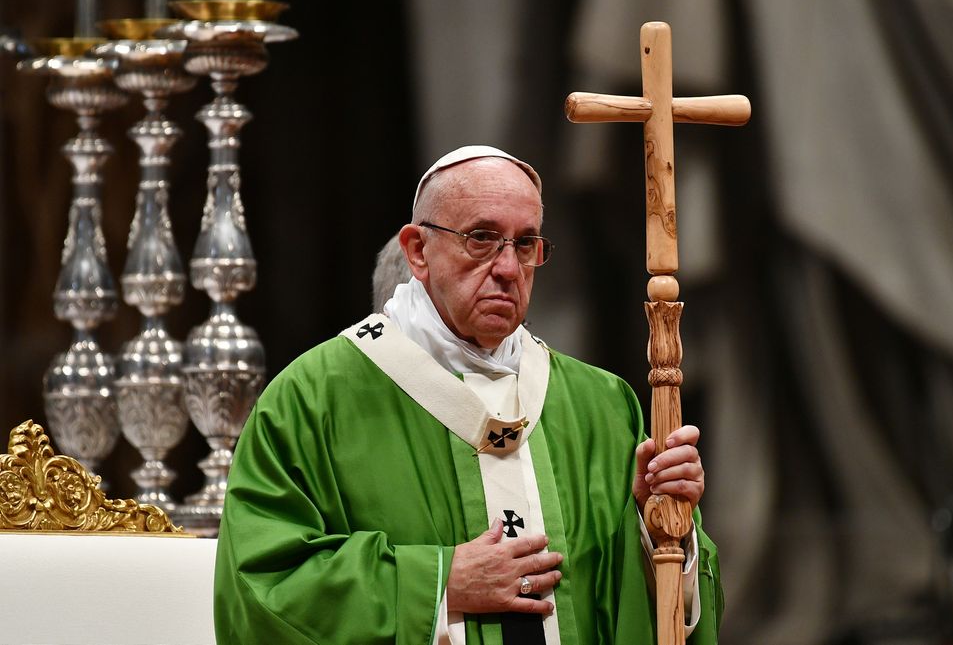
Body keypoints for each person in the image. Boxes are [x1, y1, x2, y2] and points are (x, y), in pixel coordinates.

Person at [214, 145, 723, 645]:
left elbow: (641, 610)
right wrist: (440, 584)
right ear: (418, 251)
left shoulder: (602, 406)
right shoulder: (313, 398)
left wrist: (658, 531)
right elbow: (261, 587)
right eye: (482, 238)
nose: (508, 268)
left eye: (526, 243)